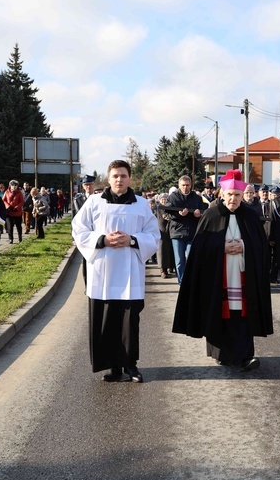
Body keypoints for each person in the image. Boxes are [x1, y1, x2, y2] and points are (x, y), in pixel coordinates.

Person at [173, 169, 273, 371]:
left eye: (237, 195)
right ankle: (220, 354)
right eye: (230, 195)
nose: (233, 199)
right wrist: (222, 248)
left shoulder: (251, 216)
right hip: (218, 276)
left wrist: (244, 247)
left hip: (243, 275)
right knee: (219, 313)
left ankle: (246, 356)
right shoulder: (211, 215)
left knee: (243, 314)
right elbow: (200, 249)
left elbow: (261, 246)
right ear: (222, 194)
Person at [72, 159, 160, 382]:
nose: (119, 179)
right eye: (115, 176)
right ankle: (112, 366)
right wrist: (102, 240)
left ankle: (130, 365)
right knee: (106, 319)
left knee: (129, 321)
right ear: (108, 178)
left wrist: (132, 240)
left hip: (130, 271)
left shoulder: (141, 204)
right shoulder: (94, 202)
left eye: (123, 175)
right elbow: (79, 229)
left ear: (130, 178)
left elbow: (154, 235)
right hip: (103, 271)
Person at [166, 175, 206, 284]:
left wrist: (199, 214)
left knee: (190, 258)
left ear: (191, 185)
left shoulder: (196, 197)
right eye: (183, 185)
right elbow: (167, 213)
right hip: (177, 232)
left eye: (187, 185)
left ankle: (190, 282)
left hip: (192, 232)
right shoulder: (173, 197)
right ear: (179, 185)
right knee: (179, 261)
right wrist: (179, 215)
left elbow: (204, 211)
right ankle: (182, 282)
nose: (185, 187)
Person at [155, 193, 175, 278]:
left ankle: (171, 267)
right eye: (162, 199)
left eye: (165, 198)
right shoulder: (157, 208)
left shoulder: (170, 207)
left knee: (171, 249)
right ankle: (163, 269)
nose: (164, 200)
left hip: (171, 230)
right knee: (162, 250)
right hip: (161, 232)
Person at [3, 180, 25, 244]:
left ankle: (20, 237)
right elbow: (4, 200)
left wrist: (17, 207)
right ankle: (10, 238)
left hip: (17, 212)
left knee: (18, 226)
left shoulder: (19, 193)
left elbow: (22, 201)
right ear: (10, 186)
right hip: (9, 212)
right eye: (13, 185)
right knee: (10, 226)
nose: (14, 187)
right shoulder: (6, 192)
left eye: (15, 185)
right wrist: (8, 206)